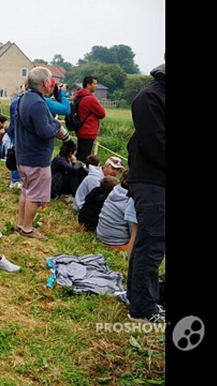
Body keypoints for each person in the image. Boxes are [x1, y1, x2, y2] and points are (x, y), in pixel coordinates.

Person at [126, 61, 165, 325]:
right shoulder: (150, 97)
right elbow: (157, 144)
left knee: (153, 244)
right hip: (151, 181)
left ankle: (145, 298)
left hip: (158, 180)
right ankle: (141, 308)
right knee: (150, 244)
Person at [14, 67, 66, 242]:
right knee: (34, 196)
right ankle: (28, 228)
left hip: (24, 155)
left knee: (27, 191)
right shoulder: (37, 103)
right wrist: (57, 126)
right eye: (51, 81)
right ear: (45, 83)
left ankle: (21, 224)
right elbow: (44, 131)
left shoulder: (24, 98)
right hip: (36, 158)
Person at [73, 76, 106, 161]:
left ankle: (74, 170)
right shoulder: (90, 99)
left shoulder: (79, 96)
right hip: (88, 131)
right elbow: (102, 114)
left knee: (79, 154)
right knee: (84, 158)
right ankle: (79, 173)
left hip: (80, 129)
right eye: (94, 84)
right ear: (88, 85)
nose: (96, 86)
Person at [96, 170, 133, 248]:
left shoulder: (115, 190)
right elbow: (134, 232)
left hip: (101, 235)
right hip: (117, 243)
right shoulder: (130, 201)